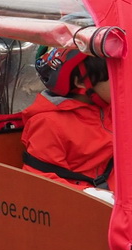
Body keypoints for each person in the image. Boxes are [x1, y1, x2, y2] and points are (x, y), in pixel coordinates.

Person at [20, 46, 116, 187]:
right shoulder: (49, 123)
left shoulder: (111, 106)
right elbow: (41, 180)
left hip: (126, 195)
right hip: (87, 201)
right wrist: (90, 195)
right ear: (81, 82)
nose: (124, 84)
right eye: (114, 77)